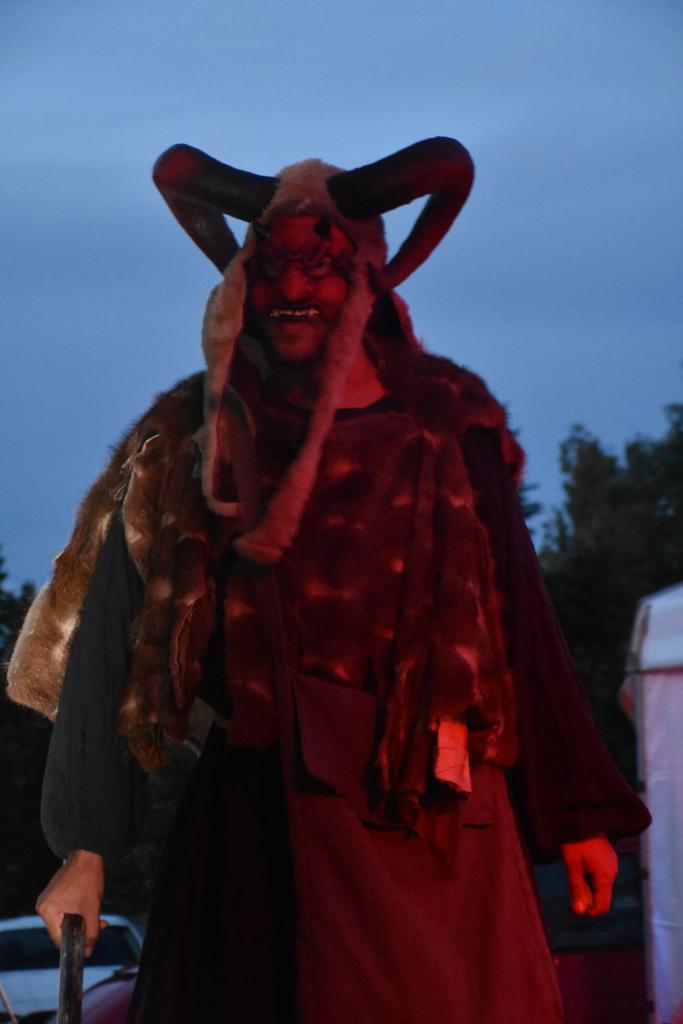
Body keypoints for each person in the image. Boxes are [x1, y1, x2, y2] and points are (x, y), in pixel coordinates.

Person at [8, 138, 650, 1024]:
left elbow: (520, 628)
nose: (296, 287)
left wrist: (577, 815)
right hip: (258, 833)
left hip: (438, 825)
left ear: (367, 278)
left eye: (322, 265)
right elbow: (116, 641)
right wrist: (86, 848)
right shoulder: (193, 437)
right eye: (274, 265)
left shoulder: (446, 425)